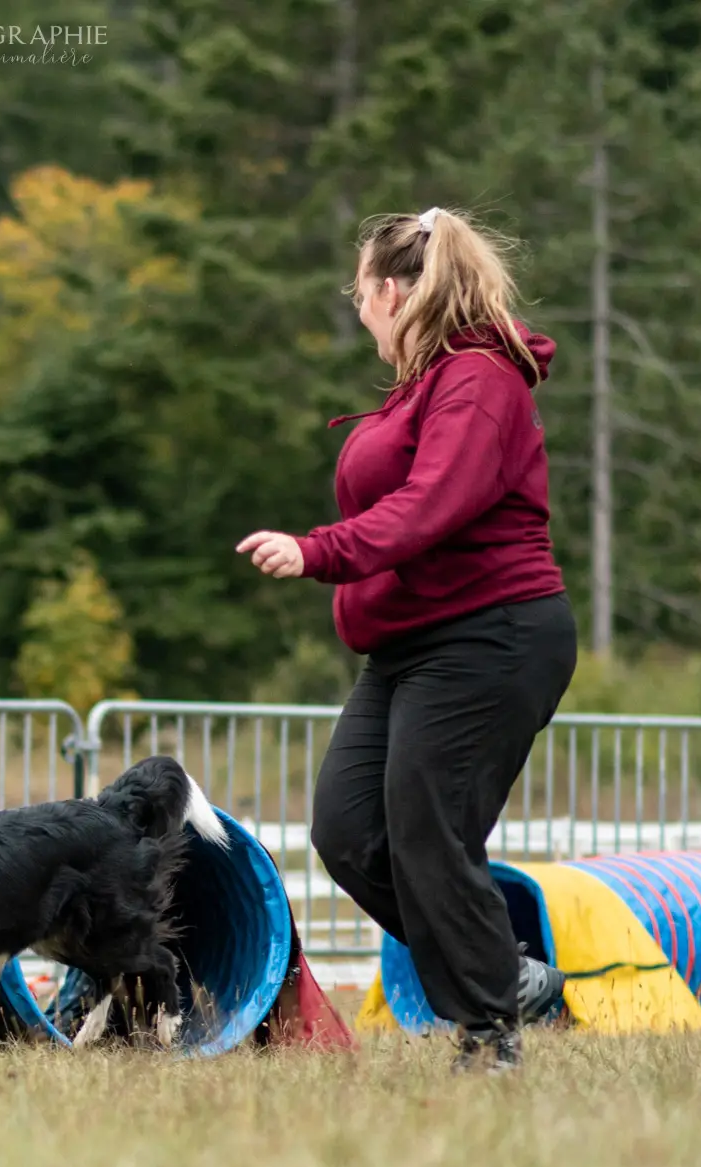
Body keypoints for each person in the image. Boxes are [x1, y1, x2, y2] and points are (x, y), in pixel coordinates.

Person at [236, 207, 578, 1073]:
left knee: (428, 833)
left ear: (393, 291)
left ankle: (489, 1035)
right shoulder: (425, 387)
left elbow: (431, 507)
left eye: (360, 294)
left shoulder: (479, 380)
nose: (358, 312)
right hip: (408, 647)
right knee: (348, 831)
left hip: (490, 637)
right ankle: (506, 976)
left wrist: (319, 551)